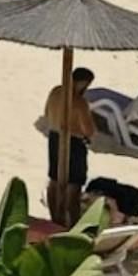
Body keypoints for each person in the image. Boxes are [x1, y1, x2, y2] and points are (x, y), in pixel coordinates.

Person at [43, 66, 98, 199]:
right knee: (74, 182)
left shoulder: (55, 91)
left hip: (54, 137)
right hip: (73, 142)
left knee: (54, 178)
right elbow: (89, 130)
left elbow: (47, 113)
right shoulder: (79, 102)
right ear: (83, 83)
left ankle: (54, 209)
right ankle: (70, 211)